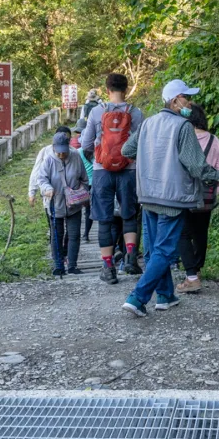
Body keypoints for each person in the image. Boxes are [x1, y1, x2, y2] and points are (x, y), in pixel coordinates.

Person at [120, 80, 219, 317]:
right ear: (174, 101)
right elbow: (197, 167)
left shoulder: (148, 123)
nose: (189, 103)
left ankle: (165, 296)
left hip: (148, 195)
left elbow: (126, 151)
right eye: (186, 98)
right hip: (172, 197)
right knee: (165, 251)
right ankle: (137, 298)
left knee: (154, 250)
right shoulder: (183, 126)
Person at [80, 73, 144, 284]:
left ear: (107, 90)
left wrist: (97, 157)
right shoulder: (136, 113)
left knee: (105, 219)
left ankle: (108, 267)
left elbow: (86, 143)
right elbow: (141, 143)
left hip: (101, 171)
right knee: (129, 215)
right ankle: (131, 259)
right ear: (126, 89)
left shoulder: (97, 112)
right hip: (129, 169)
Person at [175, 104, 219, 295]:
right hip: (207, 194)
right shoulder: (214, 139)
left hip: (185, 192)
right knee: (201, 232)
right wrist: (217, 190)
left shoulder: (183, 137)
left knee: (183, 233)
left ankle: (191, 275)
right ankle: (198, 269)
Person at [36, 132, 90, 276]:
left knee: (74, 234)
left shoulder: (76, 157)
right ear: (54, 148)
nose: (61, 155)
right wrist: (47, 189)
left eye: (64, 151)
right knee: (56, 234)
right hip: (55, 202)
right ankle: (58, 265)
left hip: (74, 204)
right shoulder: (48, 160)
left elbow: (84, 179)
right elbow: (41, 179)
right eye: (58, 152)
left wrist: (80, 192)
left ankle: (72, 265)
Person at [29, 125, 73, 261]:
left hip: (69, 199)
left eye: (67, 139)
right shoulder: (45, 152)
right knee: (55, 228)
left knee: (70, 229)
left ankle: (64, 252)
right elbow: (37, 173)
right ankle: (57, 257)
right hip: (51, 197)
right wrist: (32, 192)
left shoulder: (73, 153)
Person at [73, 119, 94, 240]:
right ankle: (86, 234)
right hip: (95, 183)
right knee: (89, 211)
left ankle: (82, 233)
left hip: (83, 184)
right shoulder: (94, 151)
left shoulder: (78, 152)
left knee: (81, 209)